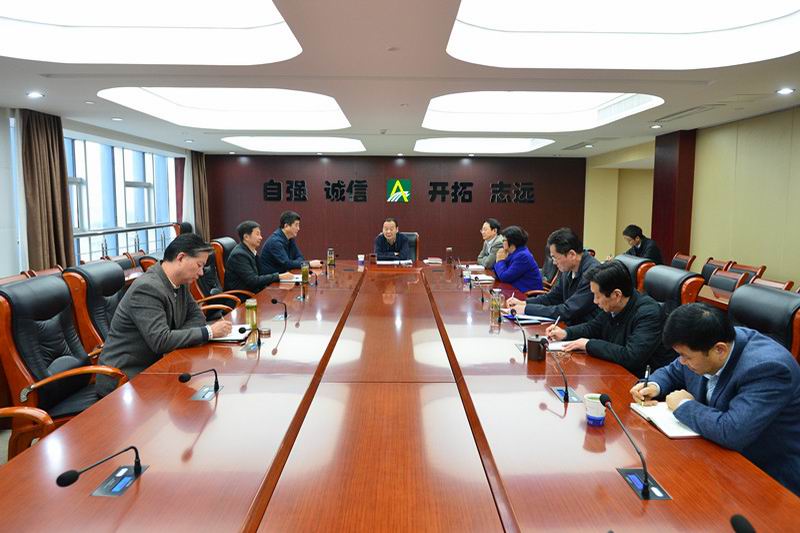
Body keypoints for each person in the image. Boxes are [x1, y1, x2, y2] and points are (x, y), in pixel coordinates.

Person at [630, 304, 800, 496]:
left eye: (686, 356)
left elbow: (733, 432)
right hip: (712, 454)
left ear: (720, 350)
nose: (682, 361)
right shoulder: (706, 343)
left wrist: (684, 405)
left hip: (765, 477)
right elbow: (673, 371)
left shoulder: (768, 368)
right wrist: (654, 386)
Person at [97, 233, 232, 396]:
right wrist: (209, 332)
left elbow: (197, 317)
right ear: (181, 258)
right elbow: (161, 340)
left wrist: (174, 338)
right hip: (125, 378)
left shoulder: (180, 283)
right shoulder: (147, 288)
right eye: (199, 265)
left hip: (160, 365)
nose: (201, 272)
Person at [545, 260, 675, 377]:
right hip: (615, 371)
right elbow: (593, 327)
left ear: (616, 295)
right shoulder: (613, 305)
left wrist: (588, 344)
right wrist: (565, 333)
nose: (595, 301)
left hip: (640, 382)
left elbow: (631, 357)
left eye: (597, 296)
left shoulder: (648, 313)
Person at [507, 227, 599, 325]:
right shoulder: (568, 268)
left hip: (584, 328)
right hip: (569, 324)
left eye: (555, 258)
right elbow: (553, 297)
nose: (554, 263)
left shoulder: (592, 273)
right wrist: (525, 302)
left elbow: (568, 310)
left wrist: (527, 309)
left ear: (571, 254)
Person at [225, 220, 294, 297]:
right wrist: (279, 276)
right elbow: (253, 280)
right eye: (257, 234)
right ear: (246, 237)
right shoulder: (239, 255)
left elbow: (261, 274)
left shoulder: (251, 252)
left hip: (253, 293)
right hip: (241, 298)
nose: (261, 237)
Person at [259, 210, 322, 275]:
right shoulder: (275, 242)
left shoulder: (290, 238)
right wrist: (309, 264)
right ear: (286, 226)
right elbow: (287, 264)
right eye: (296, 225)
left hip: (284, 274)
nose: (298, 228)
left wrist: (293, 263)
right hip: (271, 278)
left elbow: (300, 257)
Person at [493, 226, 542, 292]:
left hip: (526, 293)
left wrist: (500, 261)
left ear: (512, 242)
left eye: (504, 240)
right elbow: (499, 274)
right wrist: (499, 260)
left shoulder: (522, 256)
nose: (502, 243)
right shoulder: (513, 253)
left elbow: (505, 277)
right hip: (514, 289)